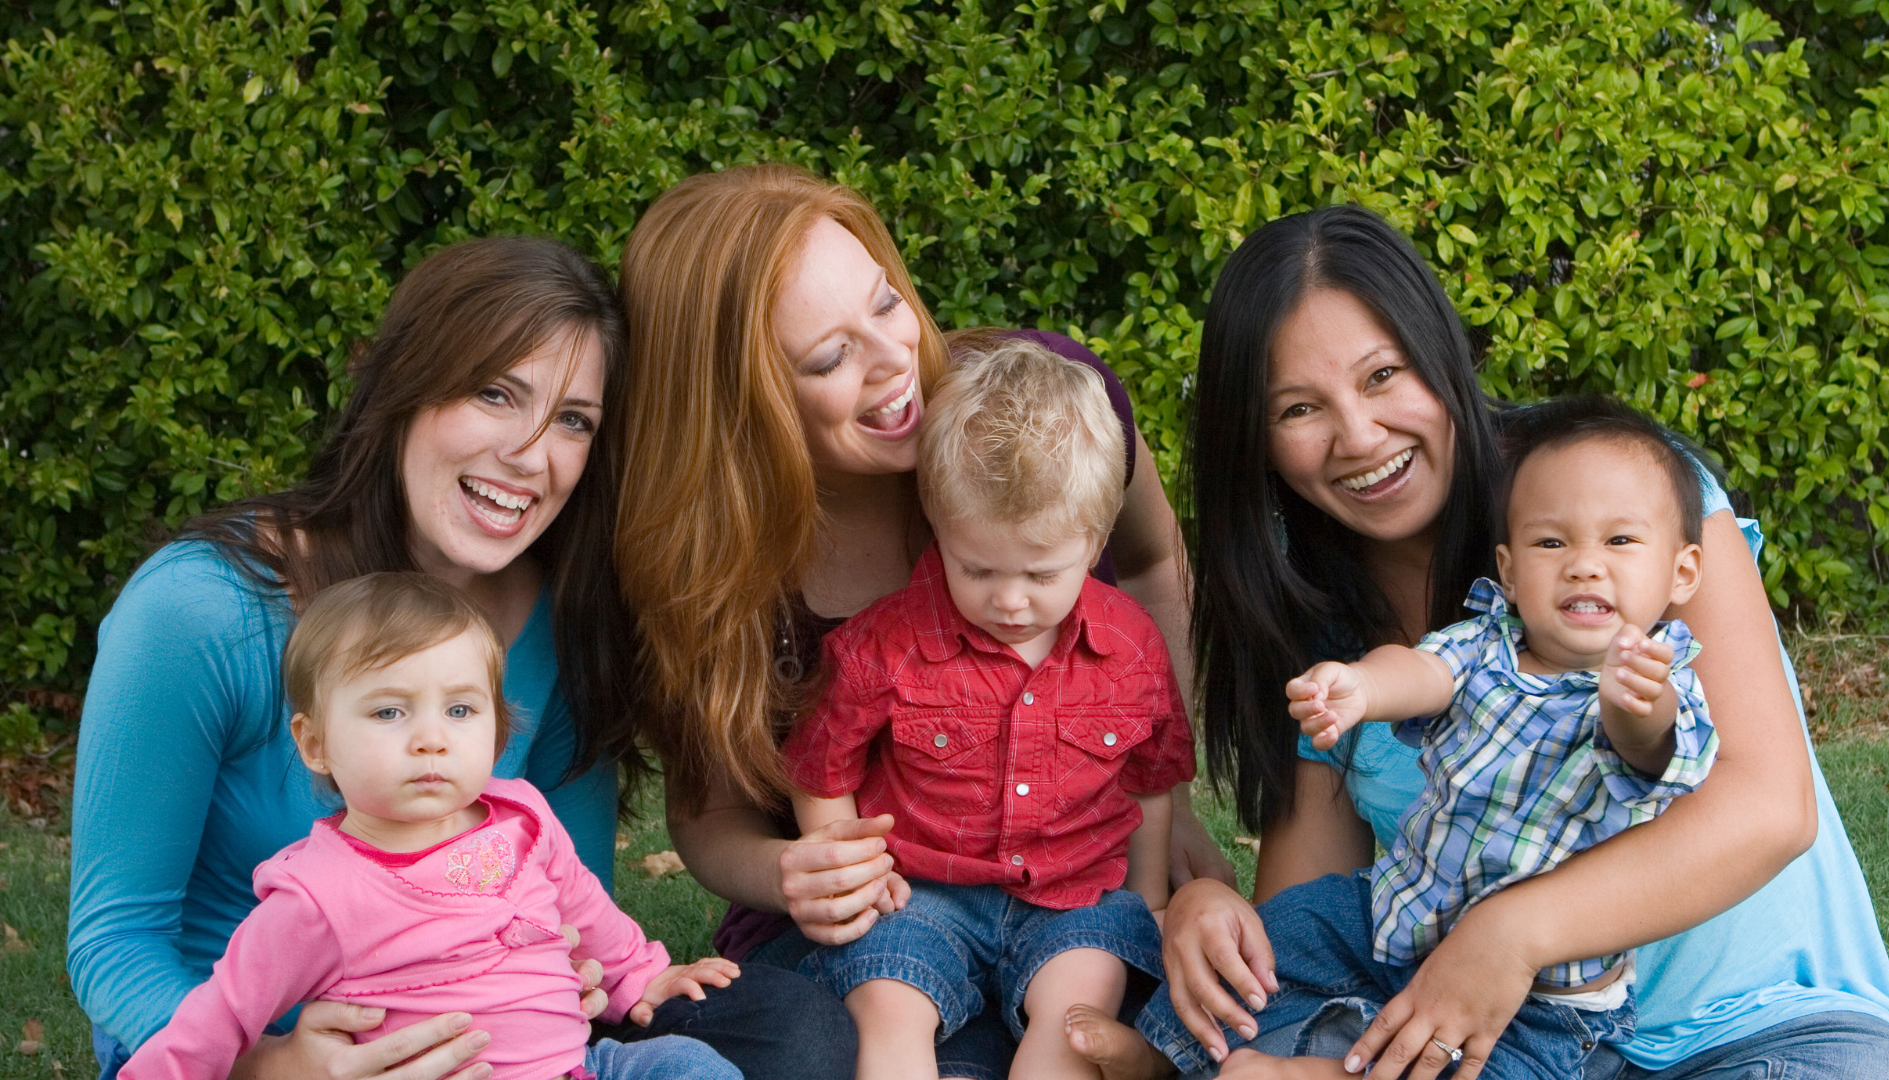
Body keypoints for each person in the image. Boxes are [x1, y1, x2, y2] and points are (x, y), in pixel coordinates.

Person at [1070, 205, 1889, 1080]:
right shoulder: (1323, 622)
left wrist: (1511, 935)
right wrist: (1206, 908)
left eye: (1383, 374)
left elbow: (1768, 809)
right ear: (1259, 443)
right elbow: (1309, 921)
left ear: (1442, 357)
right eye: (1299, 408)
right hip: (1494, 1053)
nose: (1359, 437)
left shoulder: (1613, 502)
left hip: (1759, 1032)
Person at [69, 236, 851, 1080]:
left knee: (791, 1033)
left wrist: (579, 979)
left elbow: (567, 901)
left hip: (488, 1035)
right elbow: (115, 940)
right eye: (494, 393)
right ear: (407, 385)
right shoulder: (200, 611)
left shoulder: (559, 628)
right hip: (228, 1039)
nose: (529, 453)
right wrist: (282, 1063)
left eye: (573, 421)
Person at [616, 163, 1228, 1078]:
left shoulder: (1043, 416)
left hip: (1071, 879)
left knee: (1159, 1015)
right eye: (829, 357)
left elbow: (1147, 561)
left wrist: (1157, 799)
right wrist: (793, 871)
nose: (895, 358)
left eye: (888, 303)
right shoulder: (719, 566)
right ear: (737, 400)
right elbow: (708, 817)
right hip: (878, 910)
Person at [1114, 398, 1722, 1078]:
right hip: (1394, 911)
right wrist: (1362, 687)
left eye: (1620, 542)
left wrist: (1635, 706)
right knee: (1278, 933)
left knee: (1478, 1071)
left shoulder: (1658, 684)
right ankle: (1159, 1047)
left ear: (1682, 573)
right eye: (1552, 543)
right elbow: (1422, 671)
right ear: (1512, 570)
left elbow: (1651, 751)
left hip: (1540, 999)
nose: (1584, 564)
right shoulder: (1488, 643)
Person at [121, 572, 743, 1080]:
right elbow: (223, 1011)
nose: (430, 740)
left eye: (460, 709)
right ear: (315, 743)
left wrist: (640, 973)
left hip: (576, 1065)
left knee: (690, 1065)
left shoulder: (522, 817)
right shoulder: (318, 895)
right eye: (389, 710)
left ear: (496, 729)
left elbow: (584, 906)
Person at [783, 340, 1195, 1080]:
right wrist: (853, 871)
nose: (1009, 599)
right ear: (939, 529)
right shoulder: (885, 645)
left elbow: (1151, 781)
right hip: (924, 891)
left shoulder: (1130, 648)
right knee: (888, 1002)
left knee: (1076, 1018)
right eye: (976, 568)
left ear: (1095, 541)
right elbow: (821, 765)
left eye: (1041, 572)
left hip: (1077, 898)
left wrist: (1150, 897)